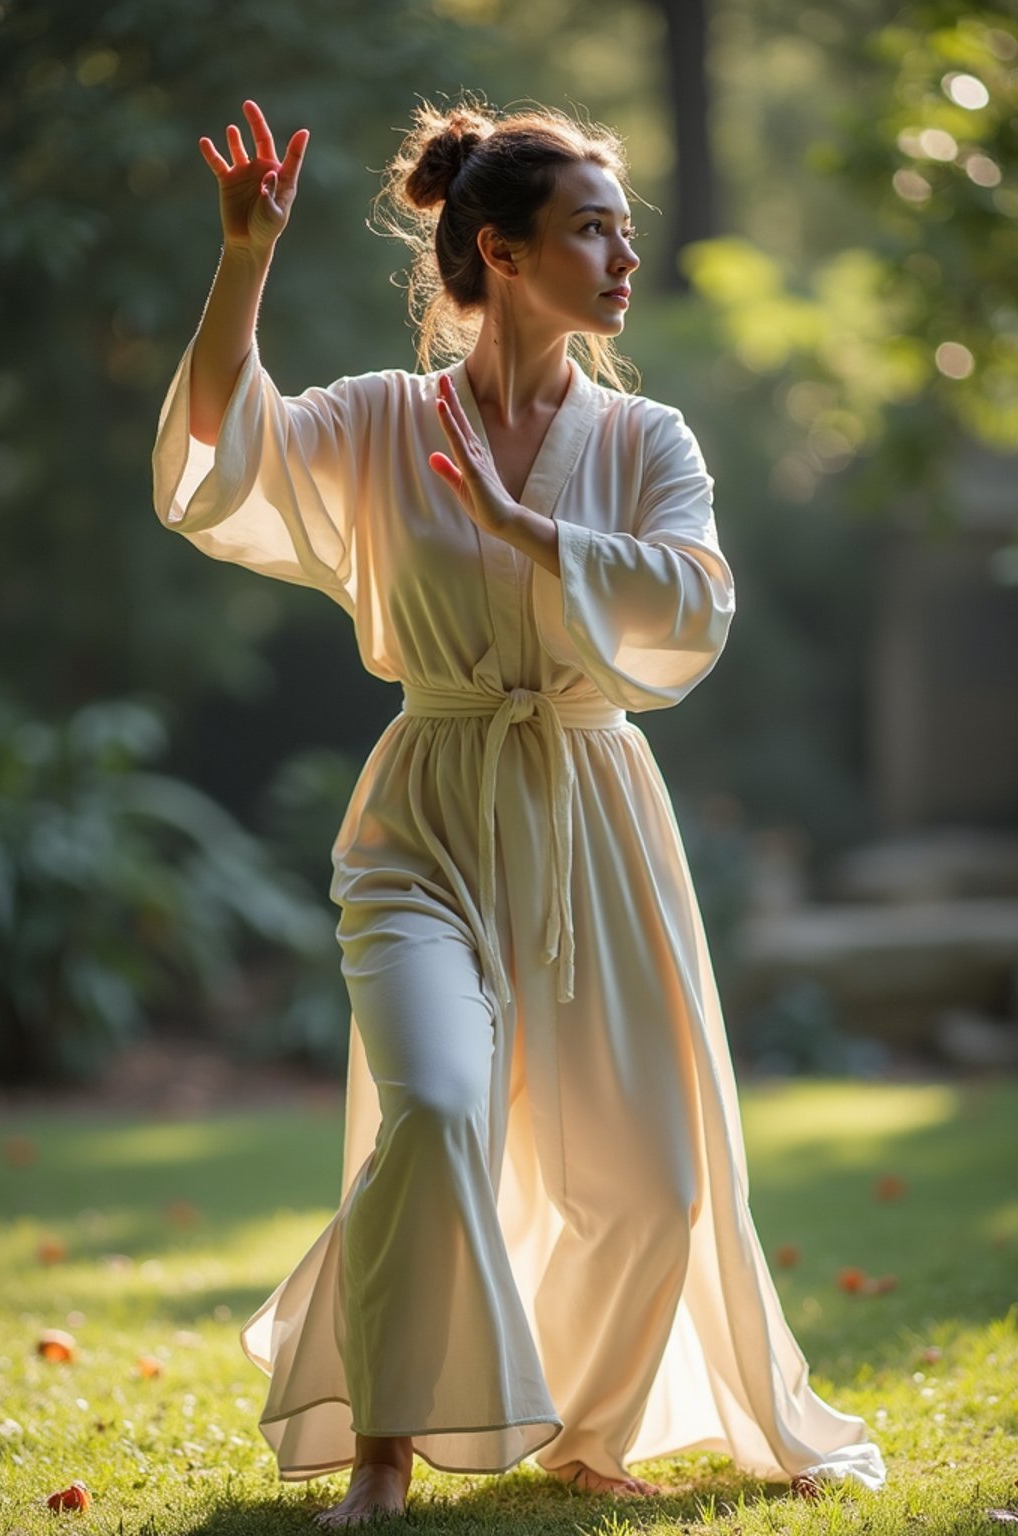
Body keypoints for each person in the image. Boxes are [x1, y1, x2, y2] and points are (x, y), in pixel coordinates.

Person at [152, 96, 887, 1528]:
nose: (622, 257)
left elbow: (697, 602)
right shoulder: (376, 420)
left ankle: (585, 1423)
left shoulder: (649, 435)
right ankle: (382, 1443)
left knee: (659, 1184)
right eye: (590, 229)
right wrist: (243, 260)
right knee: (431, 1106)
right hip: (426, 814)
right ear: (500, 250)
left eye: (625, 229)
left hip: (597, 811)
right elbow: (218, 461)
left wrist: (528, 530)